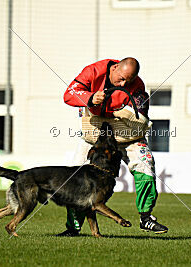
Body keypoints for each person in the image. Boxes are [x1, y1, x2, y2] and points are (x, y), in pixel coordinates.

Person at [60, 57, 168, 236]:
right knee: (76, 178)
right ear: (115, 67)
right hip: (95, 136)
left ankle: (146, 217)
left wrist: (123, 113)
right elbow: (69, 94)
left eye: (129, 80)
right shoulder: (93, 72)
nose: (125, 83)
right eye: (122, 78)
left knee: (146, 167)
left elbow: (140, 116)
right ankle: (73, 227)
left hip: (128, 137)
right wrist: (91, 97)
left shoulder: (137, 85)